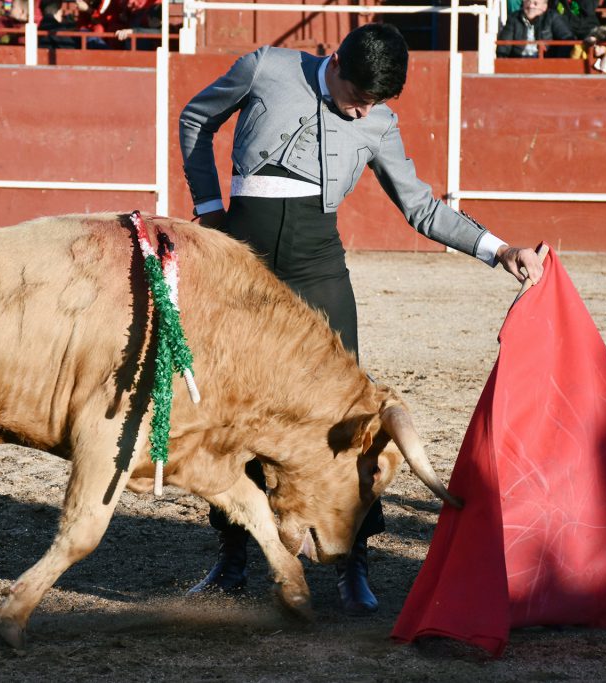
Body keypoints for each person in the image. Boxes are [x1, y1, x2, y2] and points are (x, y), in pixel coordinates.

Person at [178, 23, 544, 616]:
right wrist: (208, 209)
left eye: (376, 103)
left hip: (319, 268)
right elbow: (196, 119)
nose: (364, 111)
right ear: (337, 63)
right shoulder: (266, 67)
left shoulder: (377, 121)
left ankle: (352, 564)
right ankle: (233, 559)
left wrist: (499, 250)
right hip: (241, 268)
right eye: (359, 96)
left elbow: (421, 207)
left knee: (350, 419)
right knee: (230, 410)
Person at [497, 0, 574, 58]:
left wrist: (557, 61)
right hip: (519, 62)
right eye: (528, 1)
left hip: (546, 64)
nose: (531, 6)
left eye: (535, 3)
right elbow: (504, 45)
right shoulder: (514, 18)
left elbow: (566, 38)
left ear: (544, 7)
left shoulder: (552, 17)